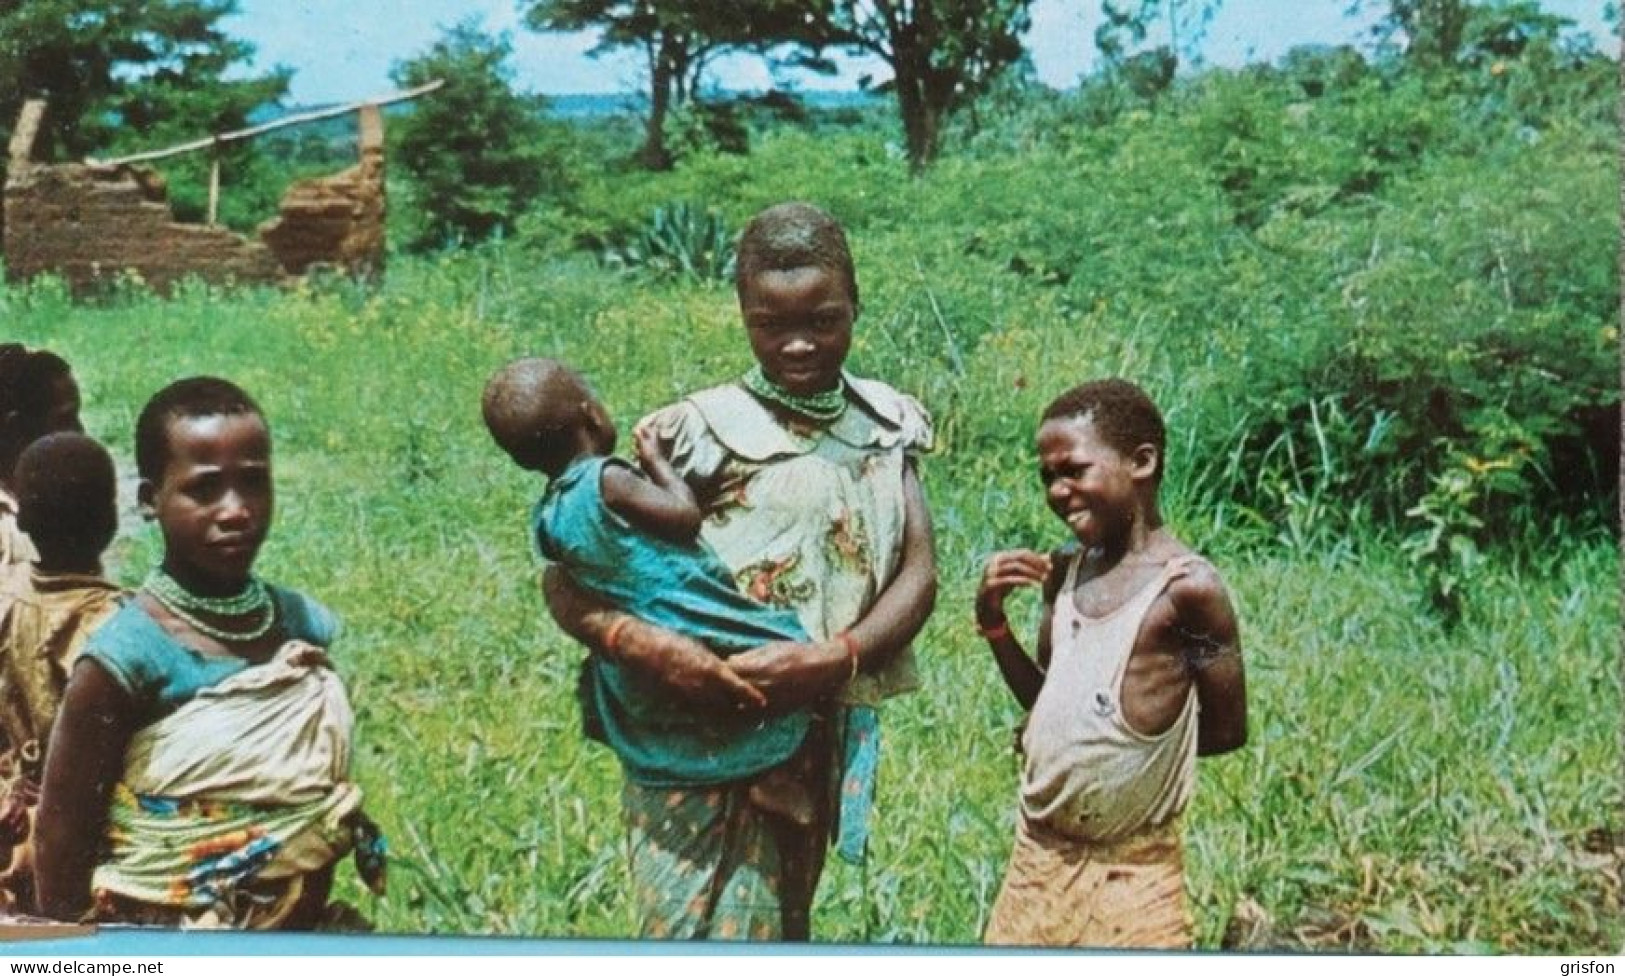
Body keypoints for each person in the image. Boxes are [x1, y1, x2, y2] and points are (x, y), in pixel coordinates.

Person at [543, 201, 938, 941]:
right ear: (741, 313)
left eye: (822, 320)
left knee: (784, 925)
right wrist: (646, 645)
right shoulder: (693, 434)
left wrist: (834, 658)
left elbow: (918, 574)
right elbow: (567, 577)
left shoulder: (885, 425)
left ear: (855, 305)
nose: (797, 344)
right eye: (770, 324)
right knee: (689, 931)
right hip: (695, 728)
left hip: (815, 721)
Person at [34, 377, 383, 929]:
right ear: (151, 500)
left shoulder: (301, 625)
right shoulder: (124, 657)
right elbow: (61, 841)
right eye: (205, 489)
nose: (237, 510)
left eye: (253, 483)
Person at [480, 357, 816, 822]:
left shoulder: (548, 516)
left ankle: (742, 771)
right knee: (791, 647)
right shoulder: (608, 480)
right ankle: (773, 775)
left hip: (640, 629)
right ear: (592, 415)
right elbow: (683, 518)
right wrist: (657, 461)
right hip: (685, 608)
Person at [975, 379, 1248, 948]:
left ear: (1141, 461)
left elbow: (1225, 730)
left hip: (1135, 875)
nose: (1059, 490)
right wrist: (994, 623)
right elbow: (1053, 701)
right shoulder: (1065, 575)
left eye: (1074, 469)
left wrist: (1132, 754)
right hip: (1036, 865)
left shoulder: (1187, 591)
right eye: (1048, 476)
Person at [0, 433, 125, 914]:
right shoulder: (112, 624)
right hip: (78, 832)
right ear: (112, 519)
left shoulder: (7, 597)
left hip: (13, 815)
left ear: (24, 519)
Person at [0, 345, 84, 569]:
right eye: (65, 420)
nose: (80, 432)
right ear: (16, 427)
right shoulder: (10, 530)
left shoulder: (50, 495)